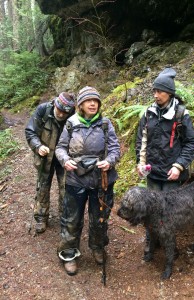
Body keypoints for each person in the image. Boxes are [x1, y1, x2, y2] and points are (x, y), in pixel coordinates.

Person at [55, 86, 120, 276]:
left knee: (99, 218)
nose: (93, 104)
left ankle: (98, 247)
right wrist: (65, 160)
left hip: (101, 180)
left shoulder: (105, 124)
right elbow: (60, 148)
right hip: (76, 180)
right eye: (88, 101)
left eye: (96, 101)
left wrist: (109, 161)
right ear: (81, 105)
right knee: (71, 219)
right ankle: (68, 253)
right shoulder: (71, 124)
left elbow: (115, 149)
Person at [136, 67, 194, 261]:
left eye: (159, 91)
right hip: (153, 173)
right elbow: (141, 140)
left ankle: (169, 243)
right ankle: (151, 241)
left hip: (172, 174)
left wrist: (179, 166)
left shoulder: (181, 115)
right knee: (150, 209)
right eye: (154, 91)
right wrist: (141, 162)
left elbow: (192, 143)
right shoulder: (148, 113)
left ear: (169, 92)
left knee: (169, 211)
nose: (155, 95)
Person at [25, 92, 75, 234]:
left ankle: (65, 217)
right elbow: (30, 131)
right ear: (55, 104)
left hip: (65, 158)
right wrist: (38, 146)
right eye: (59, 110)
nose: (61, 114)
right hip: (45, 156)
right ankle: (41, 217)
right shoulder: (43, 110)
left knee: (66, 188)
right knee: (42, 187)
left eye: (64, 112)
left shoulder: (73, 116)